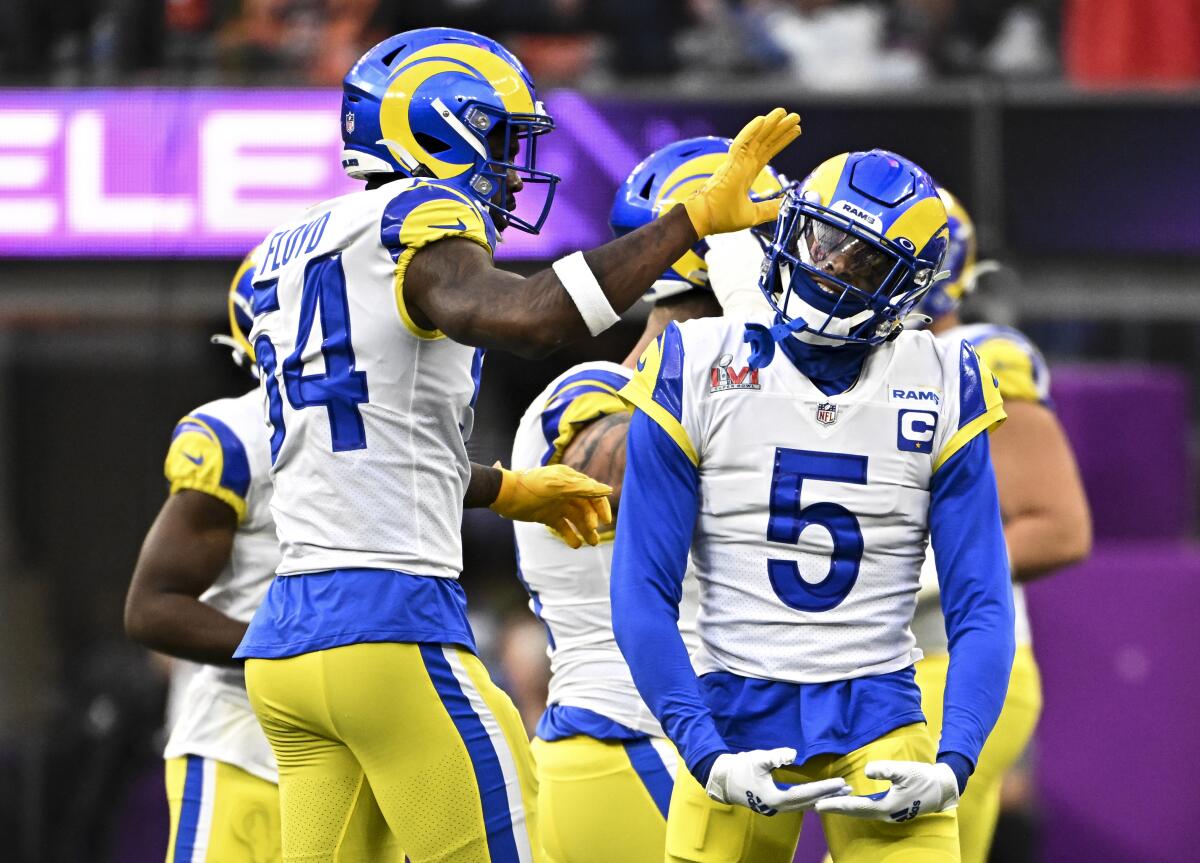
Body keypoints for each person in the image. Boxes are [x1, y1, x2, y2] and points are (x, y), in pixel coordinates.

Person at [233, 26, 802, 863]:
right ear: (434, 129)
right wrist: (689, 225)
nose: (509, 169)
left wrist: (501, 488)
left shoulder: (287, 250)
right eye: (500, 141)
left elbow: (360, 438)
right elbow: (534, 319)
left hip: (289, 643)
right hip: (387, 627)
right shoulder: (418, 214)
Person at [611, 150, 1016, 863]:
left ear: (907, 288)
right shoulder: (697, 361)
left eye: (860, 261)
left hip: (882, 713)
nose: (826, 265)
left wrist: (955, 760)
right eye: (818, 239)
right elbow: (642, 589)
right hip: (733, 710)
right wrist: (703, 751)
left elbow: (979, 600)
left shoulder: (945, 376)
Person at [509, 137, 786, 863]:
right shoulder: (587, 394)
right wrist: (758, 346)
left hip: (690, 749)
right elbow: (608, 471)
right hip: (629, 741)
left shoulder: (747, 392)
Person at [124, 254, 400, 862]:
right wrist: (300, 653)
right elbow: (151, 609)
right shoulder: (238, 433)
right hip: (244, 745)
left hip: (363, 749)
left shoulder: (395, 429)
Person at [909, 188, 1092, 863]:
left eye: (855, 255)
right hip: (886, 668)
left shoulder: (973, 360)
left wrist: (916, 578)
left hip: (944, 664)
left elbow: (1060, 527)